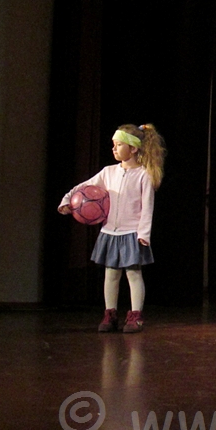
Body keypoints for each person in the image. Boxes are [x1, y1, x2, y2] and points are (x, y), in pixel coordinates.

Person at [59, 123, 166, 333]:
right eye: (113, 145)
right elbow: (84, 187)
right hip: (110, 232)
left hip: (131, 233)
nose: (114, 149)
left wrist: (143, 234)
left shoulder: (143, 175)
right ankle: (110, 314)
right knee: (111, 274)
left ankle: (136, 316)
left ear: (133, 148)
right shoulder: (108, 172)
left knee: (133, 274)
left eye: (118, 145)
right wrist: (67, 200)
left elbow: (147, 208)